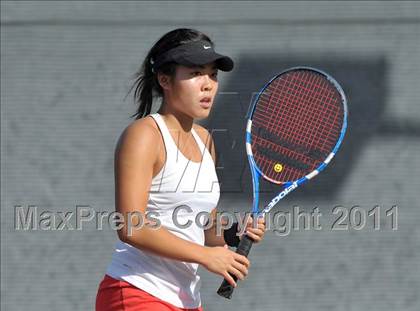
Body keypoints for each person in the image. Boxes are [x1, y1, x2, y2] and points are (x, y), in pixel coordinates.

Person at [95, 28, 266, 311]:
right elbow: (130, 226)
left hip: (186, 301)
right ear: (165, 79)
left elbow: (204, 228)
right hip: (137, 292)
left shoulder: (205, 141)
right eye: (196, 73)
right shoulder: (144, 135)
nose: (208, 84)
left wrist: (234, 232)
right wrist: (206, 256)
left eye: (213, 75)